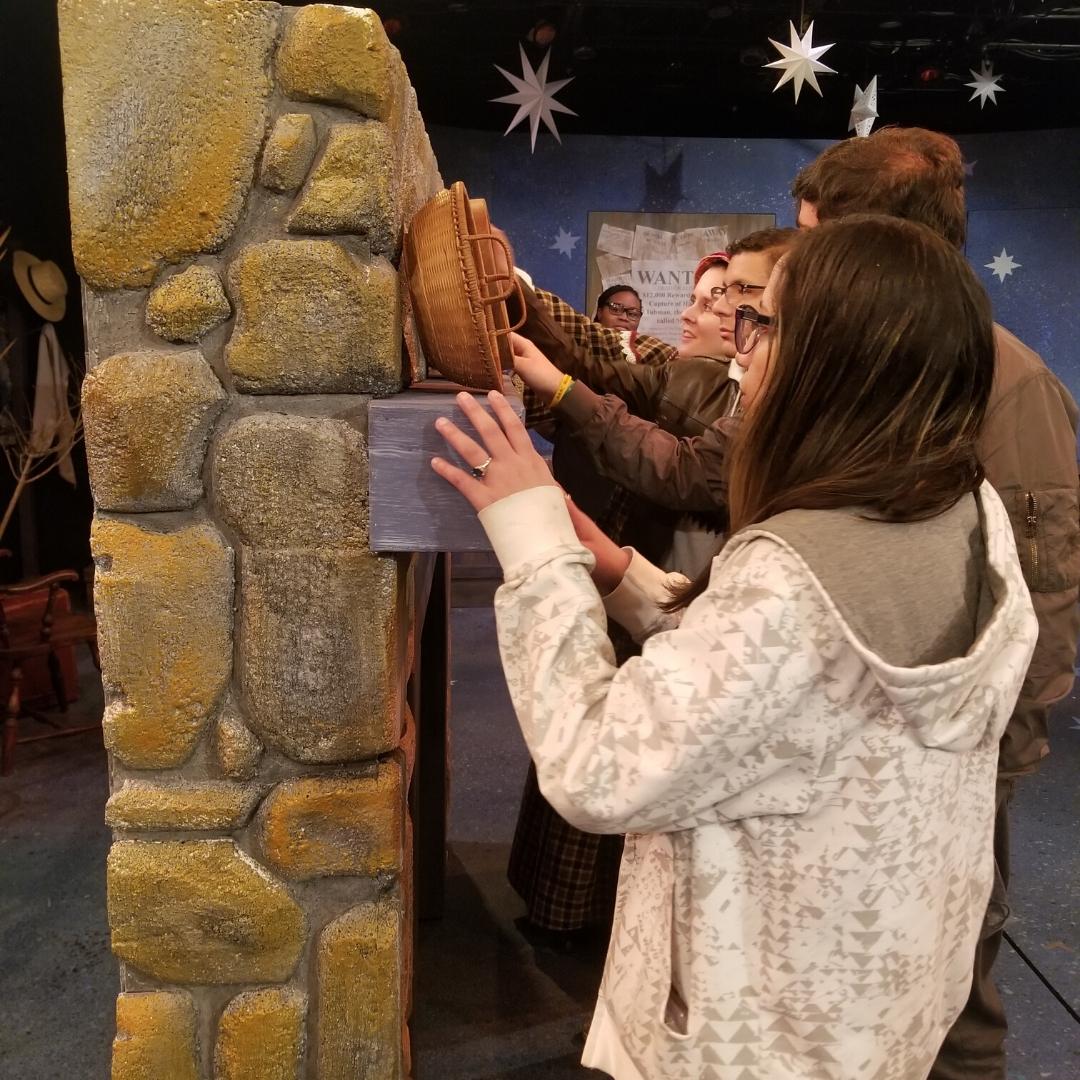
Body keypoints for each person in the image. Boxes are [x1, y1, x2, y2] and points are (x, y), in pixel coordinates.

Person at [511, 127, 1079, 1080]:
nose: (744, 345)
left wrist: (973, 758)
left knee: (943, 1007)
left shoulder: (996, 398)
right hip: (872, 772)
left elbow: (604, 762)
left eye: (771, 307)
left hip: (918, 774)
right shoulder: (928, 412)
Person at [507, 231, 796, 949]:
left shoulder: (778, 421)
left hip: (688, 602)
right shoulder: (699, 375)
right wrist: (520, 299)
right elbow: (612, 368)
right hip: (660, 586)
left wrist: (565, 392)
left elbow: (687, 472)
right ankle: (578, 922)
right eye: (719, 297)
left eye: (748, 302)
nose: (728, 316)